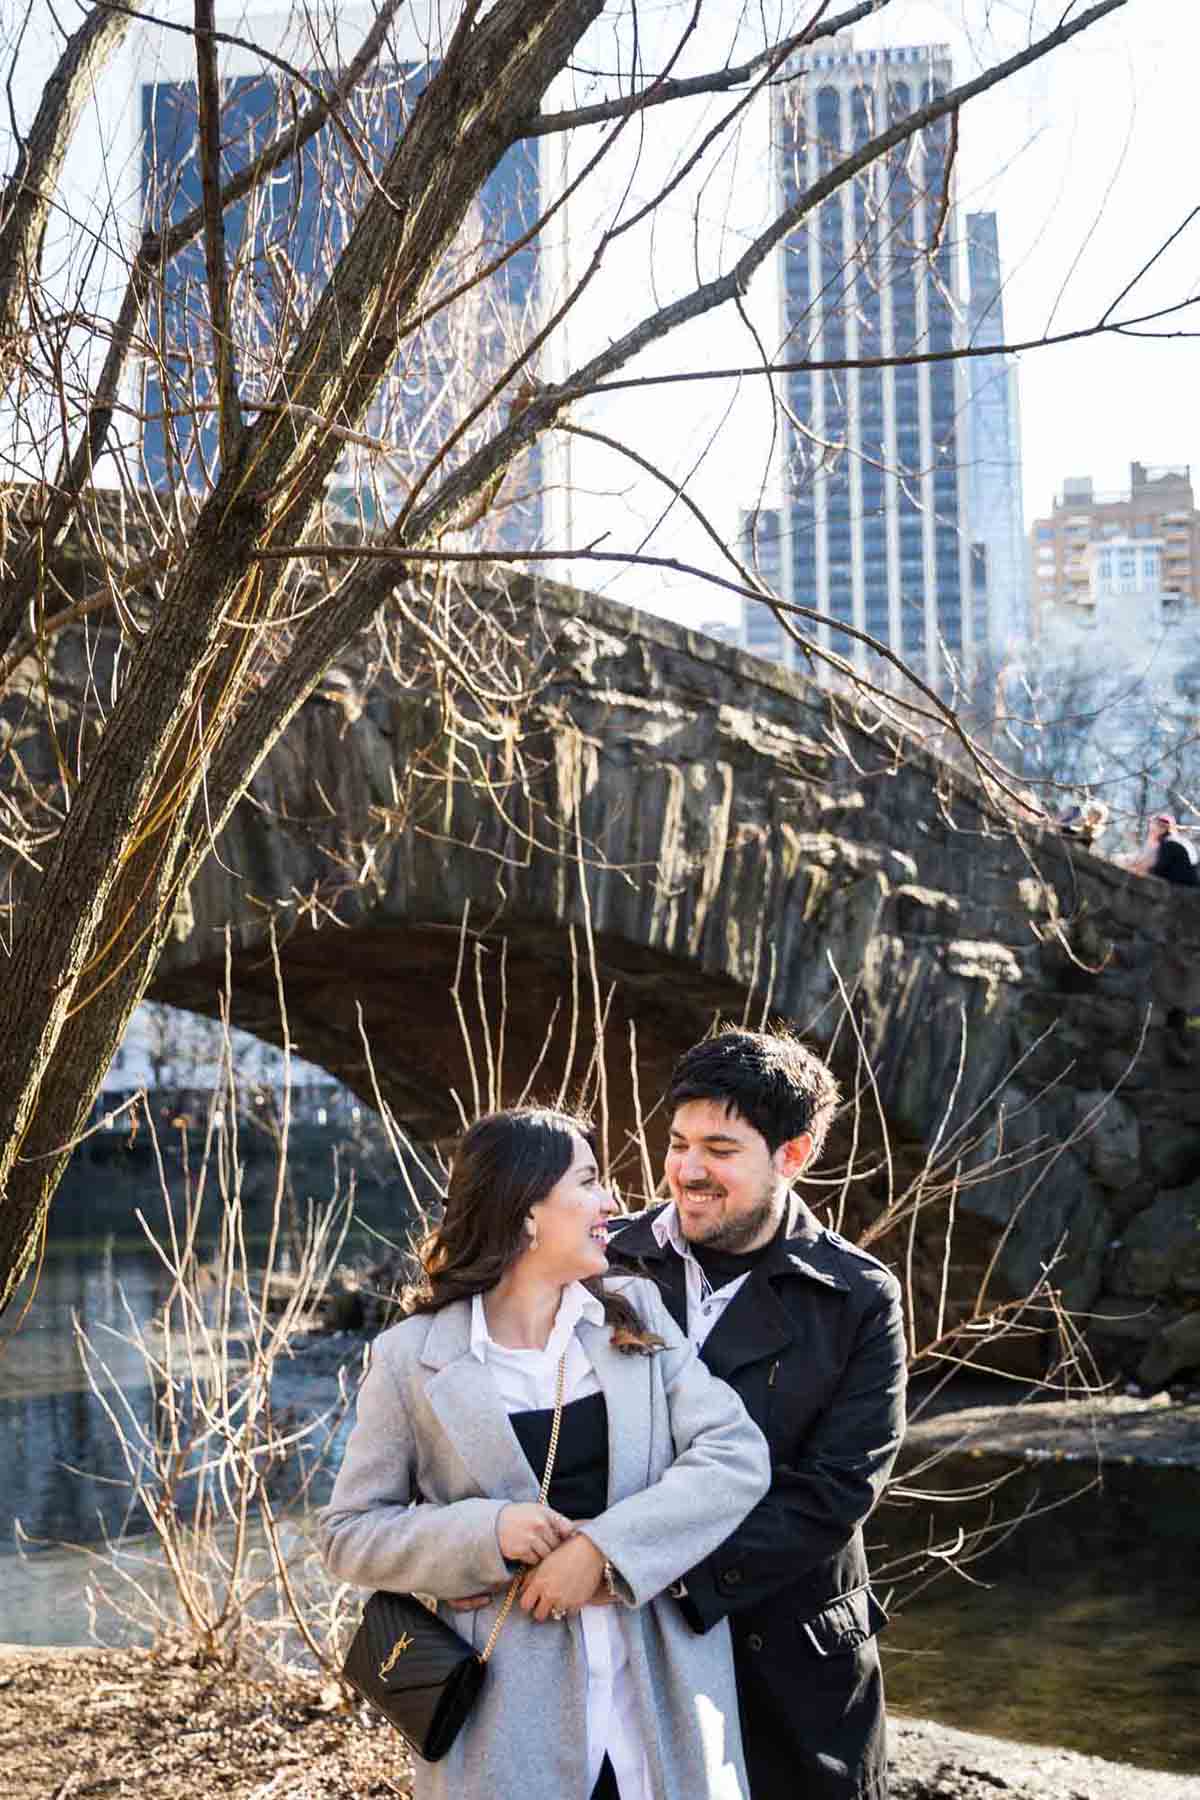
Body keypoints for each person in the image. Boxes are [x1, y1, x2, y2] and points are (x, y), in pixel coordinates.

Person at [319, 1107, 770, 1800]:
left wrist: (603, 1552)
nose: (612, 1202)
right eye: (589, 1181)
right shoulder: (411, 1358)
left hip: (663, 1708)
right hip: (504, 1732)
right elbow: (349, 1536)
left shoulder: (634, 1312)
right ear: (526, 1210)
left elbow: (735, 1456)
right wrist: (485, 1532)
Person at [607, 1029, 906, 1800]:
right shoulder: (604, 1262)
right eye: (677, 1144)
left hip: (790, 1666)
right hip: (613, 1648)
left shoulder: (861, 1298)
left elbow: (835, 1493)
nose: (687, 1171)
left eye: (720, 1148)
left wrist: (641, 1566)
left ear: (793, 1155)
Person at [1130, 813, 1200, 1062]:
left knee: (1182, 985)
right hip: (1190, 908)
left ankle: (1183, 1033)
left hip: (1183, 905)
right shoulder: (1181, 844)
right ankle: (1185, 1034)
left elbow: (1156, 871)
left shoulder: (1170, 845)